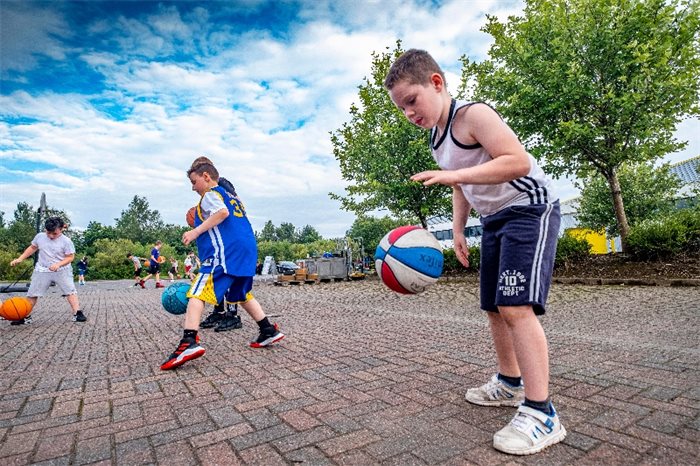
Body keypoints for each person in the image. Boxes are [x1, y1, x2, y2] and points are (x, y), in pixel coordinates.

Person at [385, 49, 565, 456]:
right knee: (493, 307)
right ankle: (509, 382)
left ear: (436, 83)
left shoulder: (474, 115)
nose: (409, 113)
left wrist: (456, 175)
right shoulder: (436, 138)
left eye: (411, 101)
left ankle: (542, 413)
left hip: (529, 209)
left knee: (517, 307)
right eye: (401, 109)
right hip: (494, 219)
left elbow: (517, 161)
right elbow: (460, 186)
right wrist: (459, 230)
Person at [160, 158, 284, 370]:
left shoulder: (210, 194)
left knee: (197, 293)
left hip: (225, 252)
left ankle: (188, 342)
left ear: (206, 177)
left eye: (194, 181)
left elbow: (222, 213)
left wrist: (195, 231)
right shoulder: (233, 197)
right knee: (240, 295)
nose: (193, 187)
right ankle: (268, 330)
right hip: (247, 251)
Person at [9, 216, 87, 324]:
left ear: (61, 229)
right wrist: (20, 258)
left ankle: (77, 313)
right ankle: (25, 316)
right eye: (48, 232)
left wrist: (58, 264)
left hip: (62, 269)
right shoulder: (39, 237)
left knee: (70, 290)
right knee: (32, 293)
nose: (50, 236)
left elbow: (70, 257)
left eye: (54, 234)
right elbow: (32, 247)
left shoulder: (66, 241)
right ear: (45, 229)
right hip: (42, 269)